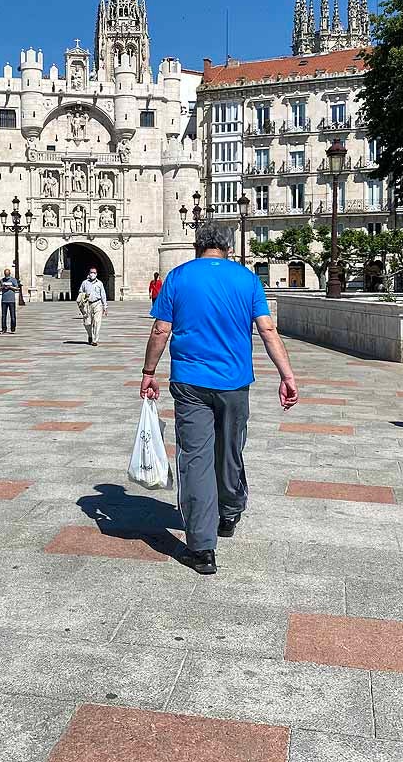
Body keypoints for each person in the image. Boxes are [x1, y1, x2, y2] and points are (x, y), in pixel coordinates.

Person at [140, 221, 299, 575]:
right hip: (234, 382)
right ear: (228, 247)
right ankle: (228, 512)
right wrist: (286, 376)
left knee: (195, 459)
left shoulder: (178, 277)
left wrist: (149, 372)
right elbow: (267, 329)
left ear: (197, 246)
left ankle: (201, 548)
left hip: (190, 382)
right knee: (229, 449)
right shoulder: (247, 280)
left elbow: (161, 329)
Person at [76, 267, 107, 345]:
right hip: (87, 304)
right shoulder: (84, 283)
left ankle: (95, 340)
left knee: (97, 322)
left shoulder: (99, 283)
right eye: (91, 272)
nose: (92, 274)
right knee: (87, 323)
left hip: (97, 304)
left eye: (94, 273)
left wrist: (105, 306)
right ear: (89, 273)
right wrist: (84, 295)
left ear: (96, 274)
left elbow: (103, 295)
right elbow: (80, 292)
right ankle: (90, 335)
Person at [0, 268, 20, 333]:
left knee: (13, 315)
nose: (6, 276)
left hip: (11, 300)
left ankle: (13, 328)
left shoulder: (13, 280)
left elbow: (17, 288)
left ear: (9, 274)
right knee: (3, 316)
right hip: (4, 300)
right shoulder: (2, 280)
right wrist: (3, 287)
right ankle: (4, 329)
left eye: (7, 274)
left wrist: (10, 287)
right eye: (5, 274)